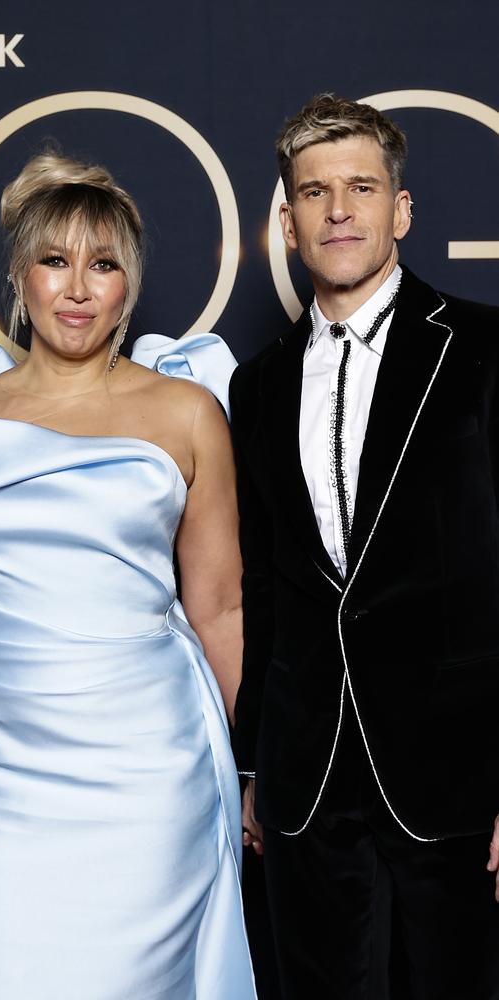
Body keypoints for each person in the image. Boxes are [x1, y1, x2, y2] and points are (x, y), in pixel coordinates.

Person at [0, 152, 257, 999]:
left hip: (152, 768)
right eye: (55, 260)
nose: (78, 288)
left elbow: (218, 605)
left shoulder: (187, 411)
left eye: (103, 265)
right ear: (18, 274)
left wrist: (245, 768)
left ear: (128, 286)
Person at [230, 94, 499, 1000]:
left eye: (360, 187)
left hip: (458, 776)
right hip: (308, 786)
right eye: (314, 191)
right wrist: (256, 765)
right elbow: (266, 585)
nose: (338, 209)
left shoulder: (485, 350)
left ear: (401, 209)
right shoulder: (257, 385)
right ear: (289, 221)